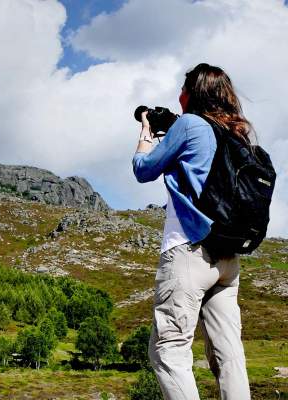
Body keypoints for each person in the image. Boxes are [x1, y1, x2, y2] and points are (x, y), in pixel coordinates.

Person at [132, 63, 251, 399]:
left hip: (189, 250)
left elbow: (143, 170)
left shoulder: (189, 124)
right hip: (228, 258)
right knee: (228, 355)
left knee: (168, 350)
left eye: (183, 89)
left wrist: (145, 132)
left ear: (192, 93)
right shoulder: (235, 132)